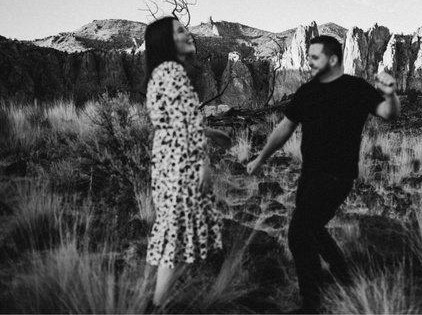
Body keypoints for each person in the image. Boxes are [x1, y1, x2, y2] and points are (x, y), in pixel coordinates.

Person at [246, 34, 400, 313]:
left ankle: (311, 305)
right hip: (310, 174)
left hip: (337, 176)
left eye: (314, 57)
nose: (309, 62)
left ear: (332, 59)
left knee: (299, 233)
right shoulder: (307, 91)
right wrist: (260, 158)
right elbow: (284, 128)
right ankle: (346, 280)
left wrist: (390, 93)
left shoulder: (355, 88)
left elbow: (388, 113)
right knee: (313, 228)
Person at [144, 16, 231, 310]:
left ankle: (158, 301)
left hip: (170, 160)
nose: (187, 33)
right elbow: (182, 128)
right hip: (180, 164)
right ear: (167, 42)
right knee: (178, 236)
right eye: (180, 31)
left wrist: (210, 131)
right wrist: (203, 163)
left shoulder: (164, 72)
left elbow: (177, 121)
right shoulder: (172, 72)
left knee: (180, 233)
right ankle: (156, 306)